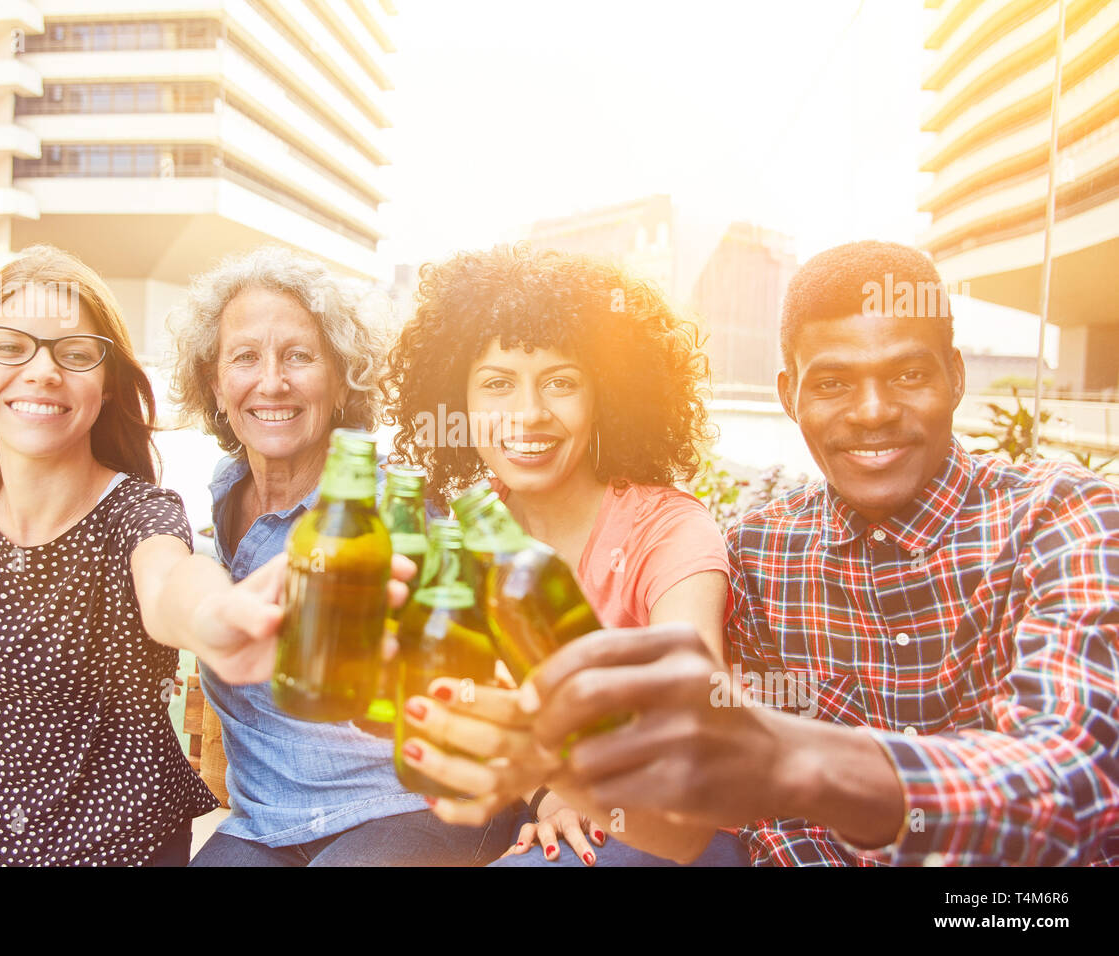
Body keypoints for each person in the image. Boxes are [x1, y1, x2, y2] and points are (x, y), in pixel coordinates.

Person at [405, 240, 1119, 866]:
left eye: (907, 374)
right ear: (789, 395)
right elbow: (759, 822)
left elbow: (1075, 784)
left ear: (956, 378)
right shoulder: (761, 551)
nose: (871, 410)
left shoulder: (1063, 516)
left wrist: (791, 759)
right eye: (833, 382)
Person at [0, 245, 351, 867]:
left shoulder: (140, 513)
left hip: (109, 850)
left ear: (106, 383)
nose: (43, 372)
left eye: (74, 354)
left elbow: (173, 584)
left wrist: (215, 615)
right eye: (12, 347)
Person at [384, 244, 749, 866]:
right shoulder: (467, 535)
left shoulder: (669, 529)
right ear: (458, 399)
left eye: (561, 382)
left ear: (605, 397)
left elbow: (690, 705)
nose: (528, 415)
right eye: (497, 384)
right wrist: (549, 792)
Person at [170, 246, 514, 866]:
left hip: (406, 809)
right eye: (245, 357)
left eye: (300, 357)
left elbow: (496, 658)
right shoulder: (224, 496)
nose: (271, 381)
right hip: (266, 822)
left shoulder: (396, 512)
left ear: (342, 381)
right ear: (215, 385)